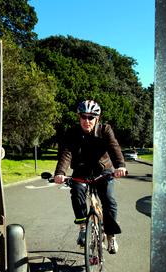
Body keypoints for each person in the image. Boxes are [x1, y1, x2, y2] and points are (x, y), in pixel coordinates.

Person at [53, 100, 127, 254]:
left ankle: (111, 236)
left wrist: (120, 166)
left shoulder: (105, 130)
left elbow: (114, 147)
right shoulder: (72, 132)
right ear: (79, 117)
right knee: (76, 191)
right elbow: (67, 153)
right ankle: (82, 227)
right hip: (82, 170)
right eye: (83, 116)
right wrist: (60, 172)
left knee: (108, 200)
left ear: (97, 119)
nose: (87, 121)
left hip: (103, 171)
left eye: (91, 117)